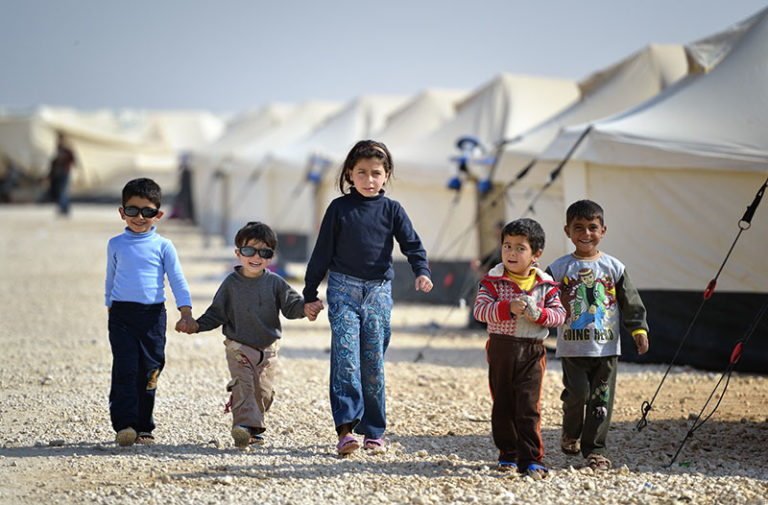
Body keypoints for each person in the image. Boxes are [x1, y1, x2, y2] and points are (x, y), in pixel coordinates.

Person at [303, 139, 433, 456]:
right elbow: (321, 253)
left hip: (377, 292)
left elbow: (412, 244)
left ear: (386, 175)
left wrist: (422, 270)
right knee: (346, 358)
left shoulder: (392, 210)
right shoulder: (338, 209)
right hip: (343, 289)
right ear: (350, 174)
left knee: (372, 362)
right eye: (362, 172)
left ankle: (373, 430)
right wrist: (310, 293)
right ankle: (346, 429)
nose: (369, 179)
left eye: (376, 173)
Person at [178, 221, 323, 448]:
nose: (256, 257)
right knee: (244, 384)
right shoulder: (231, 284)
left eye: (264, 252)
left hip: (268, 349)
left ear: (272, 256)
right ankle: (245, 428)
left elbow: (291, 306)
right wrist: (196, 325)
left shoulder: (275, 283)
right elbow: (217, 313)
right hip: (238, 345)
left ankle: (252, 422)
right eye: (249, 251)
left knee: (263, 393)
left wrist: (306, 308)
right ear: (238, 253)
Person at [545, 199, 650, 471]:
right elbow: (543, 300)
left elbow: (630, 301)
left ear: (603, 230)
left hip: (606, 349)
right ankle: (571, 431)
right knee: (578, 394)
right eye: (578, 227)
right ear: (567, 231)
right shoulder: (558, 269)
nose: (586, 234)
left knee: (600, 400)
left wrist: (638, 329)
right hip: (572, 349)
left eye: (592, 227)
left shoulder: (614, 267)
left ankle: (595, 450)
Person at [105, 178, 196, 446]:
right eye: (132, 210)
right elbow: (111, 279)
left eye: (147, 211)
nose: (139, 217)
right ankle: (125, 425)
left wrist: (186, 312)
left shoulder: (163, 246)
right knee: (124, 369)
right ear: (122, 212)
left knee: (150, 370)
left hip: (153, 317)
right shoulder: (116, 244)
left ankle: (144, 426)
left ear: (158, 214)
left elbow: (177, 280)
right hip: (121, 316)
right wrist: (110, 307)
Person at [473, 218, 566, 479]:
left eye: (520, 248)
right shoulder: (492, 281)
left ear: (536, 255)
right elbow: (480, 311)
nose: (511, 253)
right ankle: (508, 455)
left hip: (532, 352)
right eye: (507, 246)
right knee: (503, 404)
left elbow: (560, 315)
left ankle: (531, 459)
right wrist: (506, 309)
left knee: (528, 406)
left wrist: (539, 315)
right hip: (501, 350)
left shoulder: (546, 284)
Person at [47, 132, 77, 215]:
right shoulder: (58, 150)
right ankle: (63, 208)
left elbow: (73, 160)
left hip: (64, 173)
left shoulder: (67, 150)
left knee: (63, 191)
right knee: (60, 192)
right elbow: (53, 163)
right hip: (58, 173)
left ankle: (64, 208)